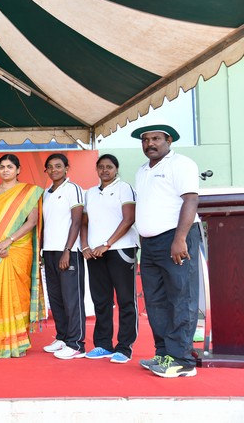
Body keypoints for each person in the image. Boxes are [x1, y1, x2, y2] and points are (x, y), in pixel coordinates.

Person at [131, 122, 201, 378]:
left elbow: (190, 199)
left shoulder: (180, 164)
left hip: (175, 239)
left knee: (181, 298)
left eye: (156, 139)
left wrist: (180, 239)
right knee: (156, 301)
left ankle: (182, 360)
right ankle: (164, 353)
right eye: (145, 140)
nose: (150, 143)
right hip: (150, 244)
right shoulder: (142, 170)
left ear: (168, 140)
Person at [0, 154, 44, 359]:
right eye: (2, 167)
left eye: (9, 167)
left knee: (18, 295)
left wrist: (8, 241)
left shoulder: (29, 192)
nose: (5, 170)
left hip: (18, 248)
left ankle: (18, 342)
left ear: (18, 170)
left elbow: (32, 222)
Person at [80, 154, 139, 364]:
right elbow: (84, 222)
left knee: (125, 299)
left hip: (120, 249)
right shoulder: (90, 193)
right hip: (94, 253)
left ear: (116, 169)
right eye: (101, 167)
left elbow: (129, 219)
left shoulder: (124, 188)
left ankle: (124, 347)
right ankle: (103, 344)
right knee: (101, 300)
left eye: (109, 167)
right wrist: (85, 245)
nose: (105, 170)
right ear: (96, 169)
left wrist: (107, 244)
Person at [41, 153, 87, 359]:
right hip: (49, 251)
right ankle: (62, 337)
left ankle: (76, 343)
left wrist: (67, 250)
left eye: (58, 166)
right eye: (50, 167)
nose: (54, 170)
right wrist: (42, 251)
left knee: (71, 299)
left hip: (68, 252)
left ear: (67, 168)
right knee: (56, 298)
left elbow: (77, 222)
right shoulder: (46, 193)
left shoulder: (73, 189)